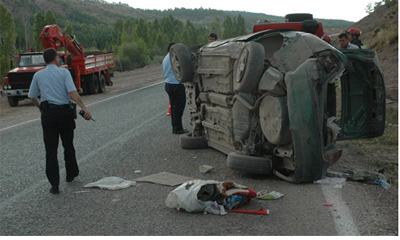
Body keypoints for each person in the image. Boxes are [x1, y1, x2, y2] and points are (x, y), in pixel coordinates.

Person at [28, 48, 92, 194]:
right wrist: (84, 107)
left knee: (50, 150)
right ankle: (71, 174)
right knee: (68, 145)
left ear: (45, 60)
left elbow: (32, 95)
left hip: (48, 114)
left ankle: (54, 185)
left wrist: (40, 108)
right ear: (57, 59)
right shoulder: (64, 72)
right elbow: (72, 92)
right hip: (64, 113)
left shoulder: (38, 75)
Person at [163, 43, 188, 135]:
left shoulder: (166, 58)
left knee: (174, 108)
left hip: (168, 84)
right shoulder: (173, 58)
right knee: (179, 107)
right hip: (176, 84)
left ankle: (175, 127)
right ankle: (178, 128)